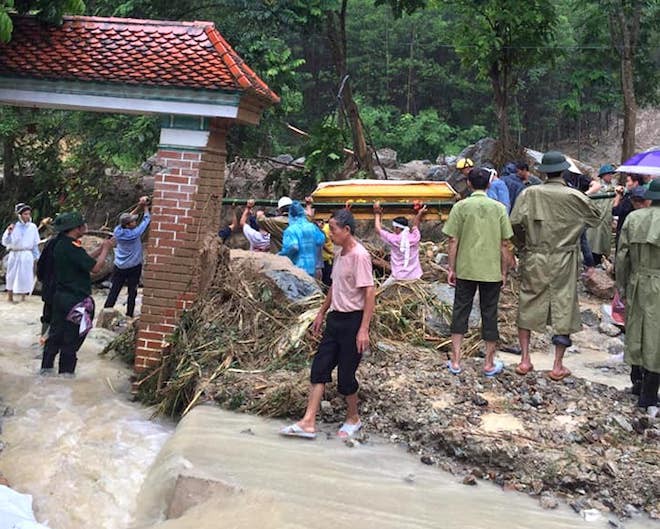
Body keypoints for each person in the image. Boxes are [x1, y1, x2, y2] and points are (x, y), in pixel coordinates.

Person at [280, 208, 375, 439]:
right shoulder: (341, 253)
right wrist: (322, 312)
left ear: (346, 230)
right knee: (319, 369)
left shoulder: (360, 256)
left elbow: (370, 292)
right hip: (335, 319)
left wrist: (363, 329)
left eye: (332, 229)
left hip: (353, 322)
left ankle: (353, 418)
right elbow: (335, 286)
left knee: (345, 377)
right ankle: (308, 421)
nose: (329, 234)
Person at [510, 151, 601, 381]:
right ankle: (557, 365)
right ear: (564, 171)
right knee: (564, 304)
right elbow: (596, 218)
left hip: (535, 256)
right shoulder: (575, 196)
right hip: (565, 258)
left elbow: (514, 226)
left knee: (528, 300)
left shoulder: (529, 193)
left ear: (543, 171)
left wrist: (524, 246)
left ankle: (525, 359)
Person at [442, 168, 513, 376]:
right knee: (489, 313)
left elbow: (453, 239)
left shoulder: (461, 207)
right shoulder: (499, 208)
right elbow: (504, 243)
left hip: (466, 269)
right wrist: (504, 271)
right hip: (491, 271)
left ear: (469, 184)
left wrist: (452, 268)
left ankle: (455, 361)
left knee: (460, 311)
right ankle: (489, 363)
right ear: (489, 185)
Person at [41, 212, 114, 376]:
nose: (85, 226)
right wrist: (107, 249)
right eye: (83, 224)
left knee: (54, 336)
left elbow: (84, 260)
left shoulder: (60, 244)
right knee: (71, 340)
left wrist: (99, 249)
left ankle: (45, 372)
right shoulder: (72, 246)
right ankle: (66, 378)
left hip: (59, 297)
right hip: (76, 301)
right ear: (76, 228)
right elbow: (95, 268)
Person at [615, 179, 660, 415]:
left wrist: (621, 285)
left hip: (637, 279)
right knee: (656, 334)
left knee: (636, 327)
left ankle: (636, 380)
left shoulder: (634, 218)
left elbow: (622, 256)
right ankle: (650, 394)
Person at [103, 197, 150, 318]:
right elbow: (146, 219)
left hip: (119, 266)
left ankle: (106, 312)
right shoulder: (135, 234)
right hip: (134, 267)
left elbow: (127, 217)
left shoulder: (118, 230)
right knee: (132, 292)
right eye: (133, 222)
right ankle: (129, 315)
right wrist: (145, 207)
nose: (135, 222)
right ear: (129, 225)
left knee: (114, 290)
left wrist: (139, 206)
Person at [373, 202, 426, 286]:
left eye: (394, 228)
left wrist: (376, 213)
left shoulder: (393, 239)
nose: (393, 230)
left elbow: (378, 229)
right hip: (415, 276)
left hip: (398, 276)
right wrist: (419, 213)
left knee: (380, 292)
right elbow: (416, 224)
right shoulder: (415, 237)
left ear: (397, 228)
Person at [2, 203, 40, 302]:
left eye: (28, 214)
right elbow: (5, 242)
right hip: (14, 253)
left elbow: (36, 242)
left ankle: (24, 296)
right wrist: (9, 233)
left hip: (27, 254)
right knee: (11, 274)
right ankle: (10, 296)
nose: (27, 216)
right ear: (20, 215)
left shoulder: (33, 227)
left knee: (25, 274)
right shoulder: (13, 226)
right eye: (25, 214)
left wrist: (36, 256)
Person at [278, 201, 325, 276]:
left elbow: (293, 247)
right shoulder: (312, 227)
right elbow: (321, 240)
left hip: (297, 270)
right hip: (313, 267)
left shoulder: (290, 230)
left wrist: (280, 255)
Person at [586, 164, 616, 265]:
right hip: (596, 219)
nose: (610, 176)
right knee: (594, 242)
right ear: (603, 175)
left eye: (611, 174)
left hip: (607, 219)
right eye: (608, 174)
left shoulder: (613, 188)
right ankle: (593, 262)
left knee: (604, 242)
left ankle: (602, 260)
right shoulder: (596, 187)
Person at [613, 173, 645, 249]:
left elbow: (615, 211)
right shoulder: (644, 193)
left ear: (636, 182)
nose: (626, 184)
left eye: (628, 181)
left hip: (625, 230)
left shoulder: (630, 198)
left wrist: (618, 195)